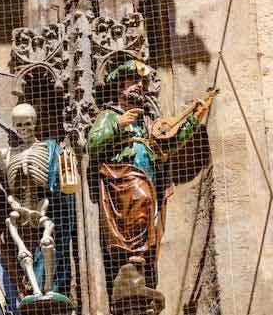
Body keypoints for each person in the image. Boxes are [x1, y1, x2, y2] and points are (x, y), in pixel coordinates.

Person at [87, 59, 216, 285]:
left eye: (141, 81)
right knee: (142, 197)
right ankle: (131, 258)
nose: (139, 85)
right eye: (133, 80)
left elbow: (167, 144)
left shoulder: (147, 120)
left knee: (149, 207)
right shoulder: (110, 114)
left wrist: (194, 119)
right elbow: (93, 144)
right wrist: (118, 124)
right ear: (120, 86)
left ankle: (140, 257)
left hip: (150, 177)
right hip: (122, 176)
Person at [0, 103, 76, 305]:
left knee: (47, 242)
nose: (23, 130)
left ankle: (49, 287)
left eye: (27, 124)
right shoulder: (10, 153)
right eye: (19, 126)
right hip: (19, 209)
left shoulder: (48, 148)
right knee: (23, 245)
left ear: (34, 124)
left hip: (42, 206)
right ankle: (34, 288)